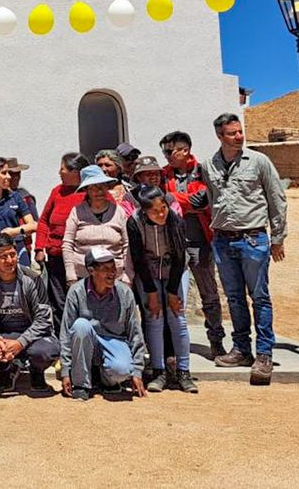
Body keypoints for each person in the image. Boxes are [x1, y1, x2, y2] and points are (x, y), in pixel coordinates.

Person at [196, 113, 287, 386]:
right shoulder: (208, 165)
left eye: (239, 131)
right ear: (219, 136)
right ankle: (241, 349)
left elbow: (276, 198)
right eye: (232, 133)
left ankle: (264, 353)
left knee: (259, 297)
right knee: (234, 298)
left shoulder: (258, 161)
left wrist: (278, 237)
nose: (239, 136)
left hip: (253, 239)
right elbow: (211, 199)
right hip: (223, 240)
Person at [161, 130, 226, 359]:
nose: (167, 155)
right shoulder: (163, 175)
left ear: (185, 150)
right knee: (170, 292)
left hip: (199, 240)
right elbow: (165, 201)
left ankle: (216, 339)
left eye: (170, 151)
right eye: (165, 151)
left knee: (208, 291)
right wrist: (180, 201)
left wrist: (172, 200)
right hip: (172, 242)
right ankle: (172, 344)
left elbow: (202, 201)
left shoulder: (202, 172)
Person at [0, 236, 59, 396]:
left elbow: (43, 319)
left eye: (13, 254)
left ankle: (36, 371)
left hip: (31, 335)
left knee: (47, 351)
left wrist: (20, 343)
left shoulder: (32, 278)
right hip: (2, 335)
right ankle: (7, 368)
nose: (9, 260)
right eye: (3, 257)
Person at [127, 186, 196, 393]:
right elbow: (138, 259)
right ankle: (159, 370)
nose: (161, 213)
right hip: (148, 272)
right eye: (155, 211)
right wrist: (152, 293)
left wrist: (173, 293)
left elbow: (178, 257)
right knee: (153, 316)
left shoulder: (175, 220)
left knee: (177, 317)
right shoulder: (134, 223)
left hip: (174, 270)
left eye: (163, 208)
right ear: (144, 210)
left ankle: (183, 371)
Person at [59, 247, 147, 402]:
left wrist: (137, 371)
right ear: (91, 270)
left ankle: (105, 380)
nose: (112, 273)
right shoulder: (76, 291)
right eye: (106, 269)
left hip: (114, 341)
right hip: (87, 341)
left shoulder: (125, 293)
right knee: (80, 325)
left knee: (122, 370)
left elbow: (135, 332)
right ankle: (81, 385)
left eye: (113, 268)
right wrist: (66, 371)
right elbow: (66, 332)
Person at [34, 152, 88, 327]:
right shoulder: (57, 192)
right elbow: (43, 221)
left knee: (82, 299)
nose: (59, 172)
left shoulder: (90, 192)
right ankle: (62, 340)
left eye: (63, 168)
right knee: (58, 301)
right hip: (56, 256)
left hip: (82, 257)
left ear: (76, 171)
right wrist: (39, 248)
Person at [62, 164, 131, 287]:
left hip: (114, 276)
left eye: (102, 186)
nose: (99, 191)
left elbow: (127, 245)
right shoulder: (77, 212)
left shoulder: (118, 211)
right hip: (83, 276)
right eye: (94, 187)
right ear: (86, 190)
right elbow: (67, 244)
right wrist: (70, 275)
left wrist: (127, 275)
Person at [6, 157, 39, 262]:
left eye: (18, 174)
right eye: (12, 174)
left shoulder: (25, 197)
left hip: (23, 244)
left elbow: (35, 222)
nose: (15, 178)